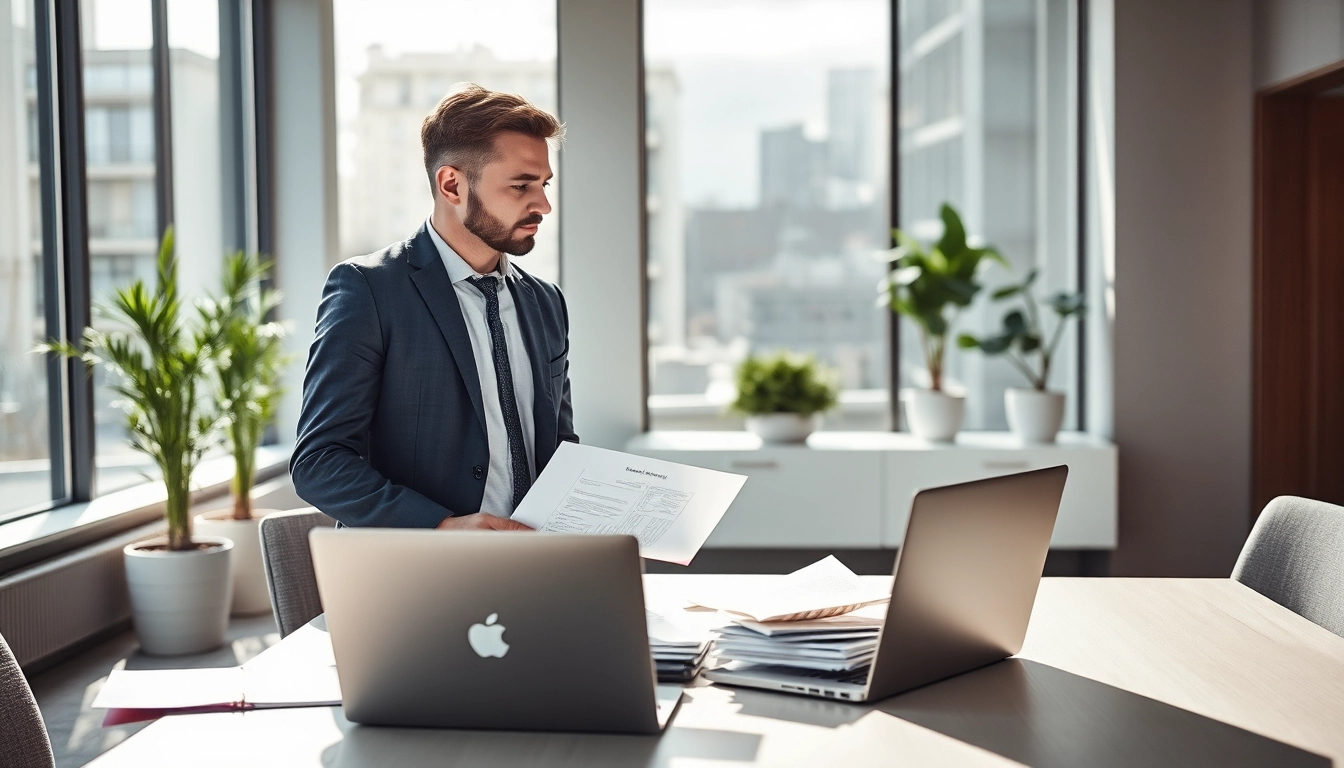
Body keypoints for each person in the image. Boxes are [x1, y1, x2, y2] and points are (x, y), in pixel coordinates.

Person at [291, 84, 574, 531]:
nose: (543, 205)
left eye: (543, 184)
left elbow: (558, 449)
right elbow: (319, 463)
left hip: (533, 566)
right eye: (522, 186)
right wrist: (443, 528)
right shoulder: (368, 289)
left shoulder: (545, 302)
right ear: (451, 185)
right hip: (415, 573)